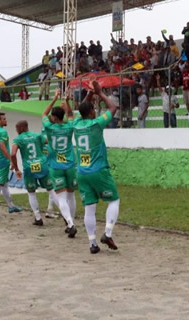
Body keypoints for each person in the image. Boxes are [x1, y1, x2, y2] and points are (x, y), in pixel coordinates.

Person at [73, 80, 120, 254]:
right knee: (114, 200)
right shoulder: (96, 123)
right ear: (92, 112)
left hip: (82, 172)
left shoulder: (76, 124)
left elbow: (82, 110)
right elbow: (113, 108)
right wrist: (99, 93)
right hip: (98, 170)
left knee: (89, 208)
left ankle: (92, 243)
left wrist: (89, 94)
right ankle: (107, 233)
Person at [42, 90, 78, 236]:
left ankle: (70, 223)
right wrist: (67, 102)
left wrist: (55, 98)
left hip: (56, 166)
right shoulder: (69, 127)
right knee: (71, 196)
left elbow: (44, 114)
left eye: (52, 116)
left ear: (55, 118)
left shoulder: (49, 128)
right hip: (69, 165)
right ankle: (71, 222)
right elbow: (70, 115)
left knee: (61, 197)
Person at [12, 120, 56, 227]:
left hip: (29, 168)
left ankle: (38, 217)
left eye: (16, 128)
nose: (16, 130)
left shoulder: (18, 139)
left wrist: (16, 169)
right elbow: (48, 142)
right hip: (42, 165)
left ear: (22, 128)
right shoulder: (37, 135)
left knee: (31, 192)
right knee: (51, 190)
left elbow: (13, 154)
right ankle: (66, 217)